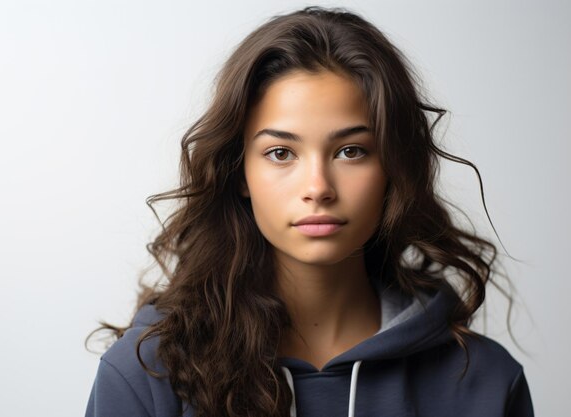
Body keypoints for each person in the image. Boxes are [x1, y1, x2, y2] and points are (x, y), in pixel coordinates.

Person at [84, 6, 534, 417]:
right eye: (281, 153)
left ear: (393, 167)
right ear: (240, 172)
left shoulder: (487, 383)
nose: (317, 187)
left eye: (351, 151)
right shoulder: (148, 374)